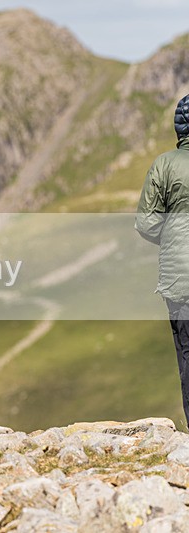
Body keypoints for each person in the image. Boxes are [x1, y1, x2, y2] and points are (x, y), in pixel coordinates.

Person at [136, 93, 189, 428]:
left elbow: (146, 223)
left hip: (179, 281)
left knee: (187, 355)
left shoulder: (164, 165)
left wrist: (171, 236)